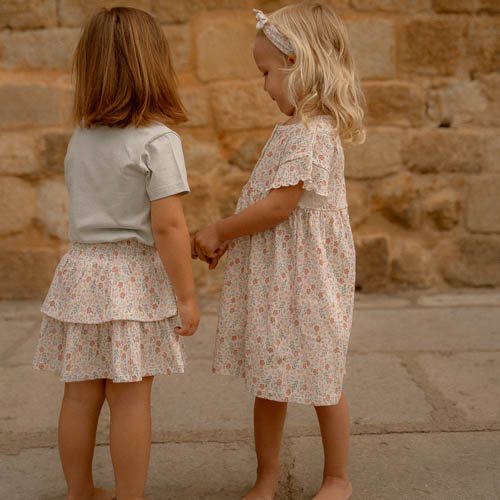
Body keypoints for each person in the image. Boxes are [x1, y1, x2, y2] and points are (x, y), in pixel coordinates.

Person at [193, 2, 365, 498]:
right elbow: (271, 210)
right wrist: (237, 236)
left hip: (308, 281)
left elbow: (277, 208)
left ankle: (337, 478)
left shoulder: (312, 134)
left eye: (266, 72)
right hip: (280, 277)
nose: (263, 86)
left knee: (324, 378)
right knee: (270, 378)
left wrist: (220, 229)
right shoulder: (293, 131)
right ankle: (266, 477)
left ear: (296, 65)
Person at [33, 7, 199, 500]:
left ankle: (79, 491)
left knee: (80, 394)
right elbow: (168, 226)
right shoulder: (158, 142)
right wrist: (185, 296)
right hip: (129, 278)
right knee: (129, 397)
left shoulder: (82, 138)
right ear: (154, 66)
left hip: (81, 271)